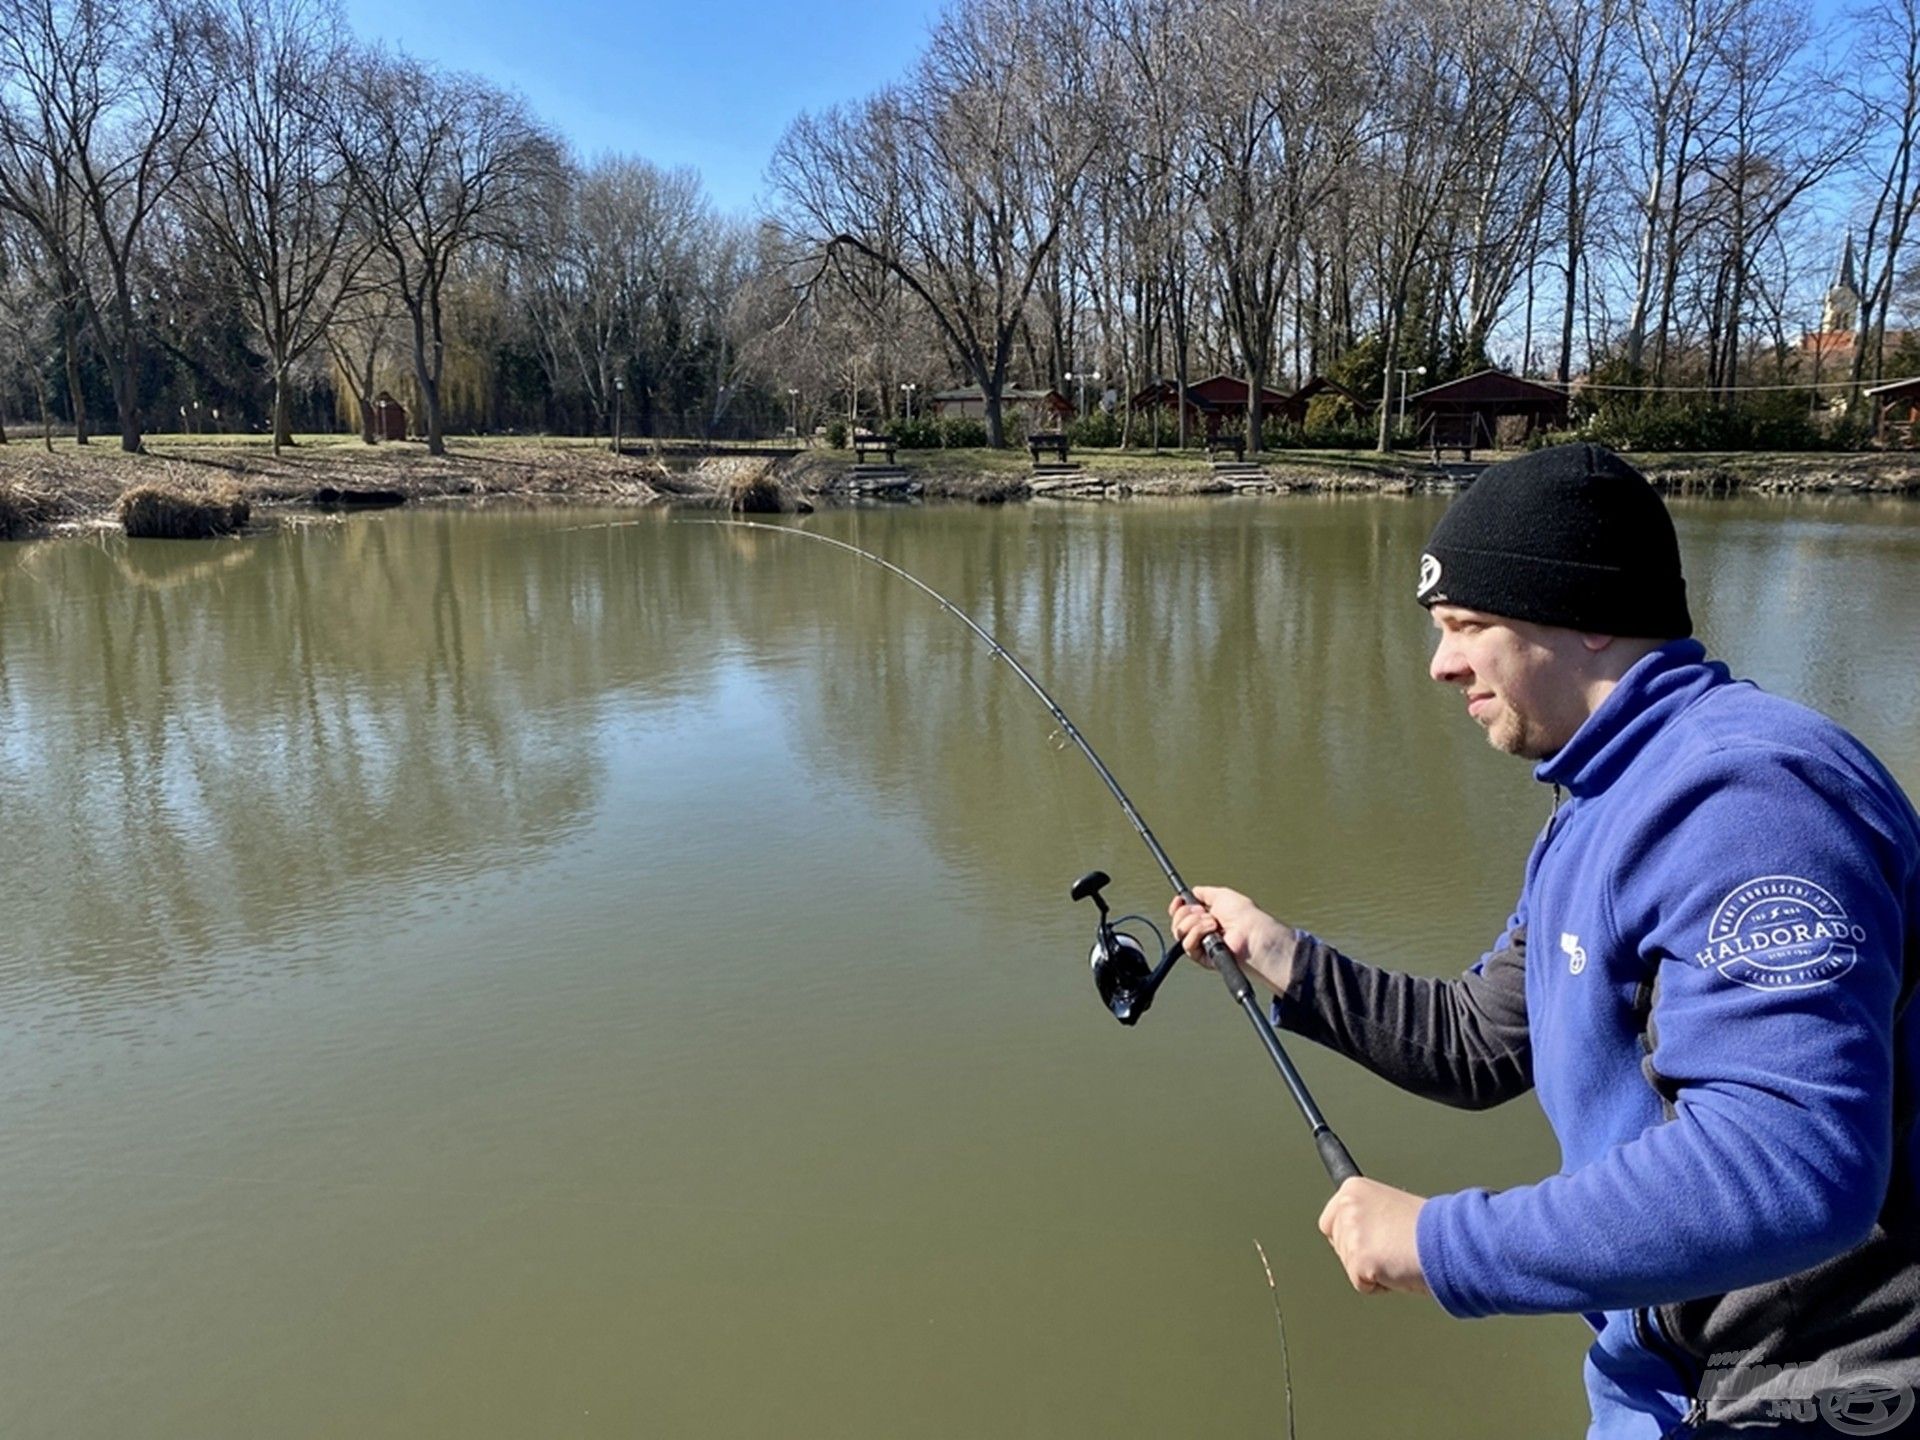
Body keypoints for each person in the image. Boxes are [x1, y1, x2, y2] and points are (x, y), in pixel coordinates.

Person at [1169, 443, 1920, 1439]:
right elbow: (1484, 1040)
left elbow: (1790, 1162)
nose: (1440, 664)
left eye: (1468, 626)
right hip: (1662, 1378)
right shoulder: (1605, 793)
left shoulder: (1746, 798)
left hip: (1811, 1391)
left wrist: (1443, 1243)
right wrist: (1282, 956)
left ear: (1590, 617)